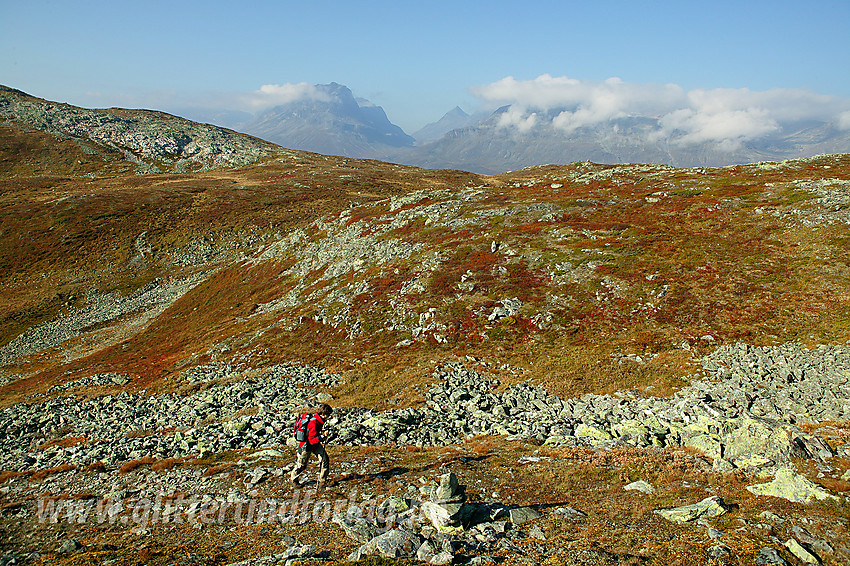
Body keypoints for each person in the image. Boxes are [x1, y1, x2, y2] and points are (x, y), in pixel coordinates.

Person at [290, 403, 333, 488]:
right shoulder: (313, 423)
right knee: (301, 465)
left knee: (325, 459)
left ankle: (322, 481)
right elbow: (311, 440)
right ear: (323, 414)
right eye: (328, 415)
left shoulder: (318, 420)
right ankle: (293, 480)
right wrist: (321, 437)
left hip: (315, 445)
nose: (328, 417)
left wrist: (321, 435)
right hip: (306, 446)